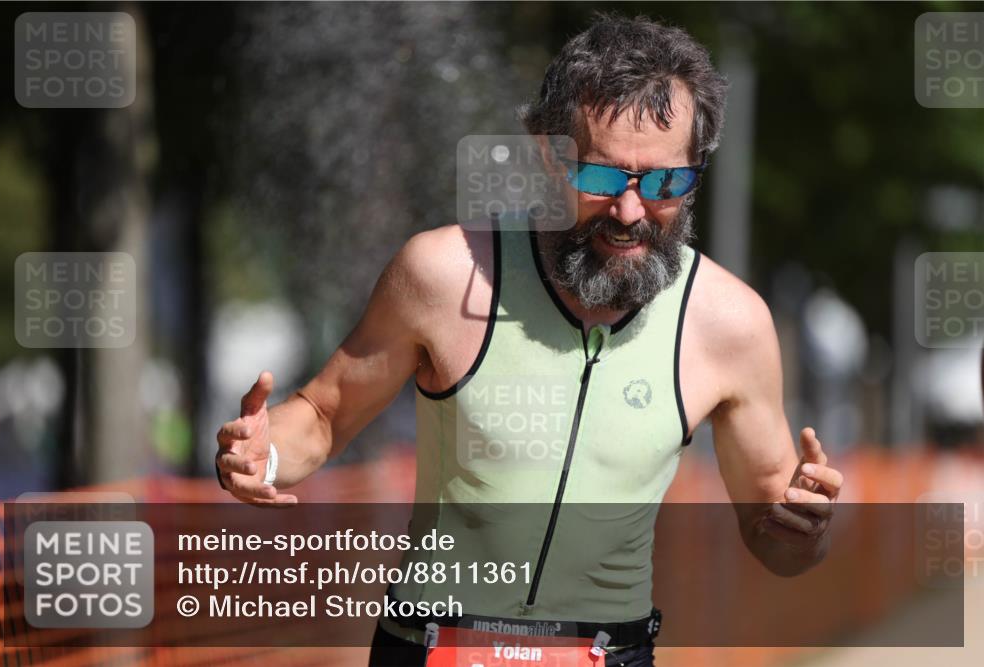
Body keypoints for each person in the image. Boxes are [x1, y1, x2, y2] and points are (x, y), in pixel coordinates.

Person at [215, 14, 844, 667]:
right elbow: (322, 415)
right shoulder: (444, 273)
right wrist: (260, 456)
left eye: (663, 183)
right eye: (601, 180)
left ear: (695, 171)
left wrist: (806, 529)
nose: (630, 212)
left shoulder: (731, 322)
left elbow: (777, 539)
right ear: (546, 155)